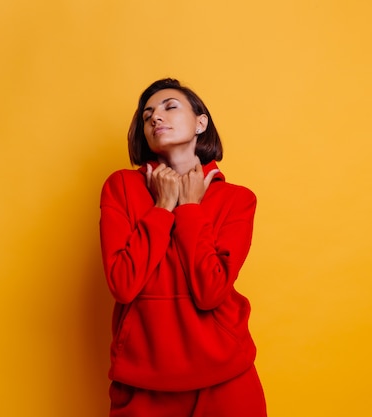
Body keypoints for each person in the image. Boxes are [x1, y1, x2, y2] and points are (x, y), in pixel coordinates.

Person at [99, 78, 267, 416]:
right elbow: (123, 284)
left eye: (169, 106)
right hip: (143, 380)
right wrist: (162, 207)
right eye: (147, 116)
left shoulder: (237, 199)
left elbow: (210, 292)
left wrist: (189, 209)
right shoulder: (121, 187)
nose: (155, 118)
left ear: (200, 122)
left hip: (226, 378)